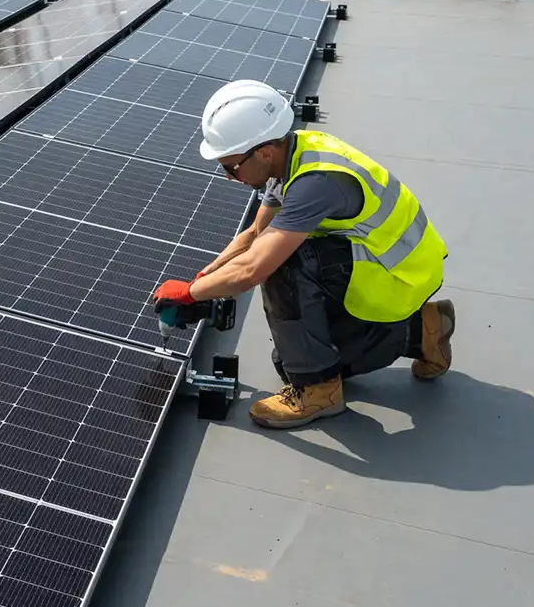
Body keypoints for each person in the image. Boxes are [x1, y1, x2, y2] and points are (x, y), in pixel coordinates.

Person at [152, 79, 455, 430]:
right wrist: (201, 281)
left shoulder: (315, 183)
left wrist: (189, 294)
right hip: (391, 262)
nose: (229, 177)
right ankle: (423, 329)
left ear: (263, 152)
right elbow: (254, 235)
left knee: (283, 265)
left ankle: (318, 390)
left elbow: (253, 268)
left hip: (398, 275)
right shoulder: (294, 154)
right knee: (290, 362)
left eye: (230, 167)